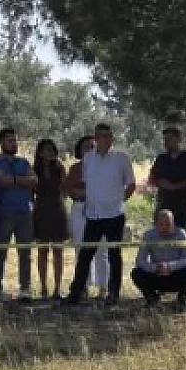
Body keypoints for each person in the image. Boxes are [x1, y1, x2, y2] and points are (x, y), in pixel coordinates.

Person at [65, 123, 134, 306]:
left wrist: (120, 201)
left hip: (114, 215)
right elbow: (89, 184)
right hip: (93, 215)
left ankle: (113, 294)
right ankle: (75, 293)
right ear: (95, 139)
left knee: (113, 255)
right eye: (101, 136)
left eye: (108, 136)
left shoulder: (121, 158)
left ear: (112, 138)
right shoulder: (88, 159)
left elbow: (131, 184)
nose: (105, 139)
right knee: (85, 255)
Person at [0, 127, 36, 301]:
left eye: (15, 140)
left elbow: (33, 180)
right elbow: (2, 181)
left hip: (24, 212)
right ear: (1, 143)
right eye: (10, 140)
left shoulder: (24, 162)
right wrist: (20, 180)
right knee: (0, 251)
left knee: (25, 252)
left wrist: (13, 179)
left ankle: (25, 288)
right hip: (3, 212)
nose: (13, 143)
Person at [64, 135, 108, 300]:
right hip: (80, 209)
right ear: (80, 150)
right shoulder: (75, 168)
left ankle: (104, 287)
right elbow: (71, 191)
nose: (91, 149)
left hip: (102, 210)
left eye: (93, 146)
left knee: (102, 249)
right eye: (87, 147)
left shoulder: (106, 167)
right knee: (82, 249)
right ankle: (84, 286)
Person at [131, 208, 186, 307]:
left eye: (168, 224)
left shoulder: (182, 234)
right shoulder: (148, 235)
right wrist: (155, 267)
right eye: (161, 224)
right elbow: (140, 261)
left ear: (173, 224)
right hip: (157, 274)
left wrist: (170, 266)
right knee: (136, 273)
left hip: (176, 274)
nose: (164, 228)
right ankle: (152, 299)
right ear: (156, 224)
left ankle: (184, 298)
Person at [31, 139, 69, 301]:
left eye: (52, 149)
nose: (50, 152)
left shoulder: (60, 168)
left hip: (57, 210)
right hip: (41, 211)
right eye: (47, 150)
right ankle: (44, 287)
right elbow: (31, 191)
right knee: (42, 251)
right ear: (40, 152)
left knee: (58, 251)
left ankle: (57, 288)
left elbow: (65, 190)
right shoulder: (34, 169)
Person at [149, 126, 186, 231]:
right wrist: (161, 183)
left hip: (182, 205)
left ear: (178, 139)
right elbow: (151, 179)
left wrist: (174, 186)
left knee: (181, 236)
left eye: (169, 139)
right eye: (164, 139)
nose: (166, 142)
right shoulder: (161, 159)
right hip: (163, 204)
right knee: (160, 237)